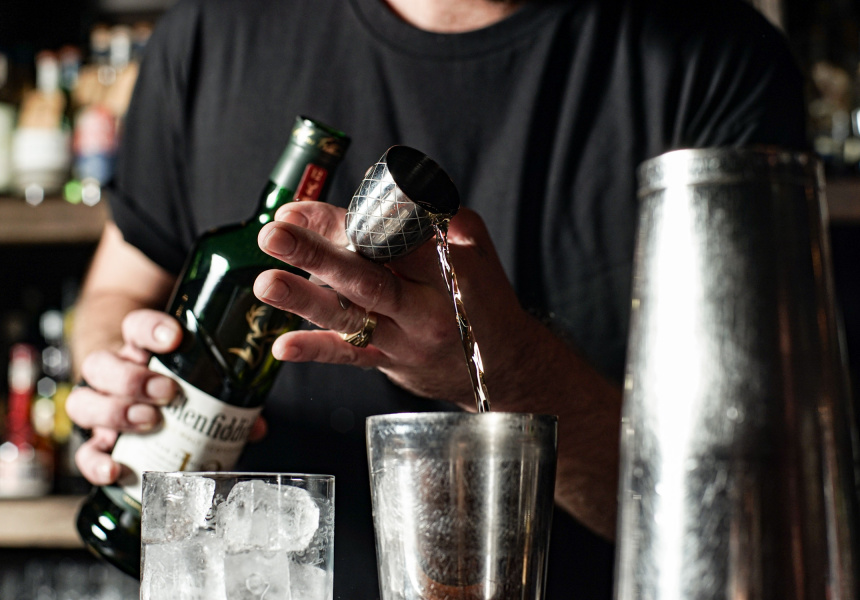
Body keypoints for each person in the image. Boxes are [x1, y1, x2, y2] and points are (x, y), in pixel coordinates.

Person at [64, 0, 808, 596]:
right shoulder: (210, 31)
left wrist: (505, 372)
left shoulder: (720, 59)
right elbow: (118, 286)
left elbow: (745, 516)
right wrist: (113, 371)